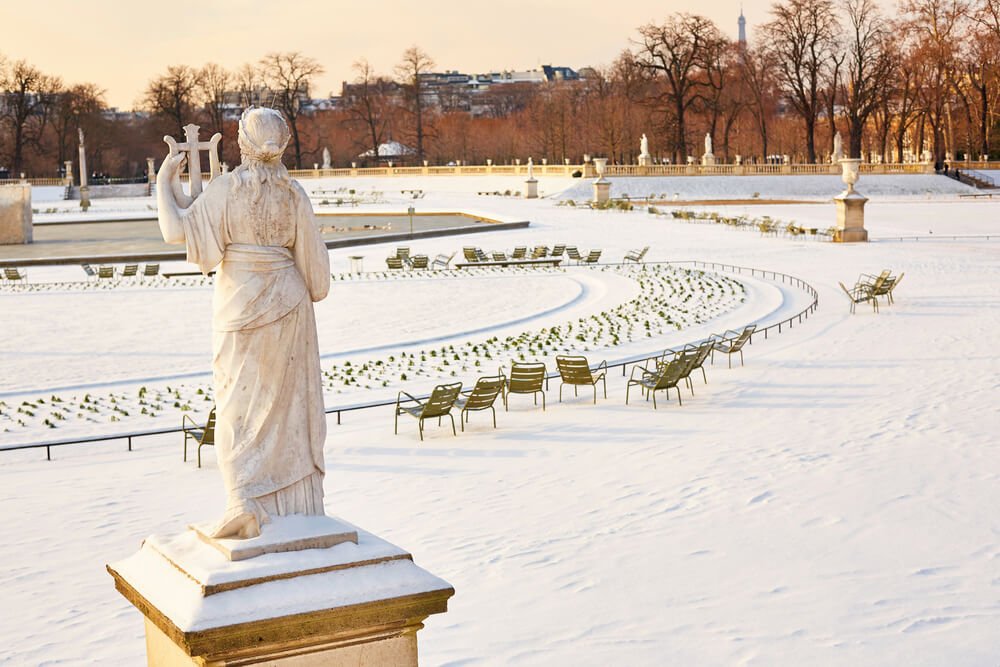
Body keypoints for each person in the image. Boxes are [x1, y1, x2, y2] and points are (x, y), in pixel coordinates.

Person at [157, 107, 331, 539]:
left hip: (239, 308)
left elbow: (176, 231)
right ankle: (293, 503)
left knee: (236, 410)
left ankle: (244, 501)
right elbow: (319, 280)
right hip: (289, 308)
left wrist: (163, 183)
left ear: (243, 145)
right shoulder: (294, 196)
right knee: (286, 411)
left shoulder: (226, 191)